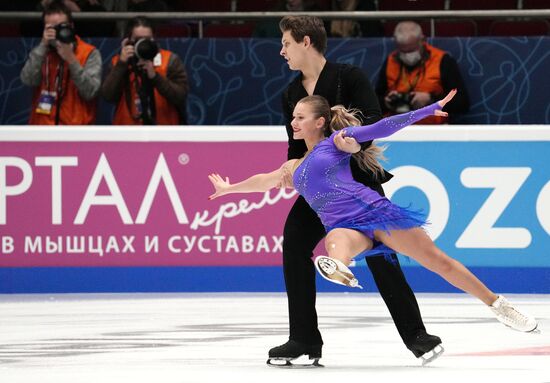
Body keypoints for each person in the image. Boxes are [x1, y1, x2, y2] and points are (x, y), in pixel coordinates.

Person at [207, 91, 538, 364]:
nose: (293, 122)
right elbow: (263, 181)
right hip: (344, 226)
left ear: (319, 122)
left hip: (376, 214)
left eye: (300, 117)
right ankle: (338, 266)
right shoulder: (293, 167)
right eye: (293, 117)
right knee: (334, 241)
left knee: (439, 262)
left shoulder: (336, 142)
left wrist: (431, 109)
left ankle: (498, 305)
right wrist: (230, 189)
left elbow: (382, 127)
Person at [270, 15, 443, 366]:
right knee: (295, 244)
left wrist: (345, 142)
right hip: (318, 189)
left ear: (306, 42)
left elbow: (373, 120)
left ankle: (416, 335)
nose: (281, 50)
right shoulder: (290, 94)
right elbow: (295, 146)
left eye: (286, 43)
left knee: (382, 254)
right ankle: (303, 338)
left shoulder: (348, 77)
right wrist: (292, 168)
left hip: (358, 183)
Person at [20, 1, 102, 125]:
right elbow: (28, 80)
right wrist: (43, 46)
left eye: (61, 26)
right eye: (51, 28)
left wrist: (72, 59)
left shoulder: (89, 53)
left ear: (71, 26)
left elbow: (90, 92)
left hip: (75, 131)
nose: (57, 32)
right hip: (42, 129)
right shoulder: (41, 52)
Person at [376, 21, 470, 124]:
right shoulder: (390, 61)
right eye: (403, 51)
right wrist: (386, 102)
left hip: (433, 128)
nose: (407, 55)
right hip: (396, 127)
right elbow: (374, 102)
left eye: (411, 50)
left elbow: (462, 103)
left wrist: (431, 99)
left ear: (422, 40)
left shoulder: (442, 60)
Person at [101, 16, 189, 125]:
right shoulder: (118, 62)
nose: (142, 44)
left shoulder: (170, 60)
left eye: (147, 40)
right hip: (126, 134)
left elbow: (180, 97)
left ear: (154, 39)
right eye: (138, 40)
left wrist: (155, 77)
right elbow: (108, 96)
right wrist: (121, 65)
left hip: (164, 133)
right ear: (128, 41)